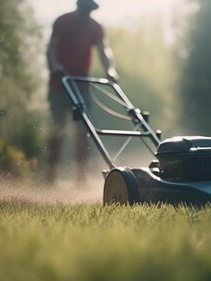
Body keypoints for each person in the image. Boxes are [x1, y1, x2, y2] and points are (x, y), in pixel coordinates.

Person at [45, 0, 119, 185]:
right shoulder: (62, 21)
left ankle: (81, 178)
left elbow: (104, 50)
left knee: (84, 131)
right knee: (57, 131)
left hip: (82, 85)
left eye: (90, 10)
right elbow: (52, 47)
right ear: (79, 6)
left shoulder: (95, 27)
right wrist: (55, 66)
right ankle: (51, 177)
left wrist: (110, 70)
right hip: (59, 84)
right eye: (85, 9)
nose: (87, 13)